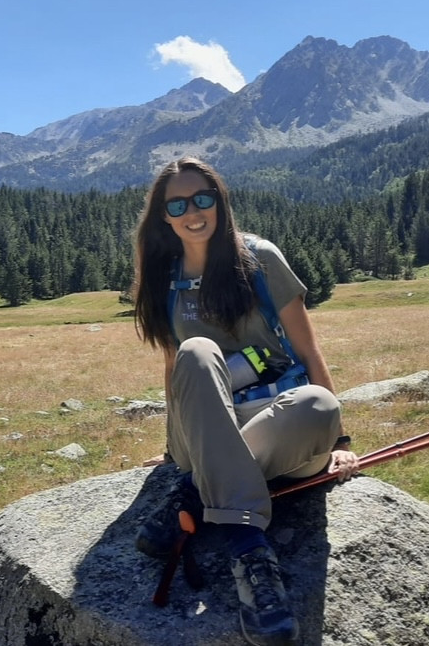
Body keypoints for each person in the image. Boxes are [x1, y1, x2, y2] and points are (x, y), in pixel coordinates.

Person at [132, 156, 359, 646]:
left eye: (202, 198)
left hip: (276, 421)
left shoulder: (259, 259)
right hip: (204, 423)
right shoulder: (164, 278)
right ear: (164, 216)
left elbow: (308, 350)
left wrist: (339, 441)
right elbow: (175, 370)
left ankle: (195, 491)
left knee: (319, 404)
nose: (193, 212)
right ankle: (249, 547)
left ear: (219, 201)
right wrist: (175, 447)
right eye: (178, 204)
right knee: (196, 351)